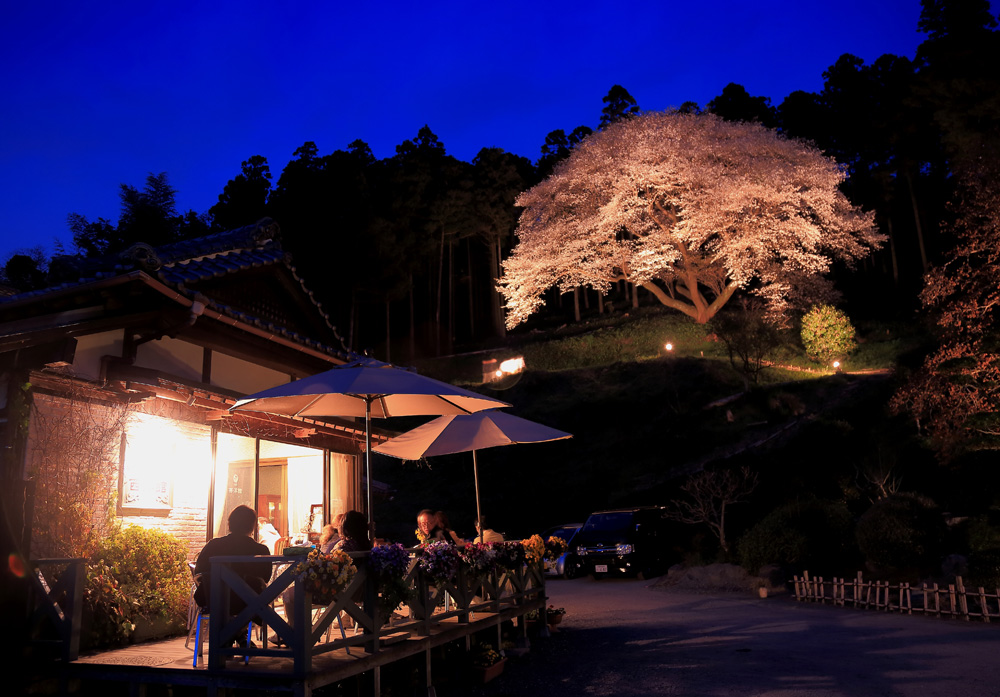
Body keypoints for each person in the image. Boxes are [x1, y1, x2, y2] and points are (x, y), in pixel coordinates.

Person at [194, 505, 271, 625]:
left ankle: (235, 633)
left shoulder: (213, 545)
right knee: (256, 599)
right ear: (253, 526)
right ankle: (239, 633)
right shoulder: (260, 550)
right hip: (248, 601)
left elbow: (199, 571)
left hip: (214, 599)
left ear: (230, 524)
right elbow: (266, 577)